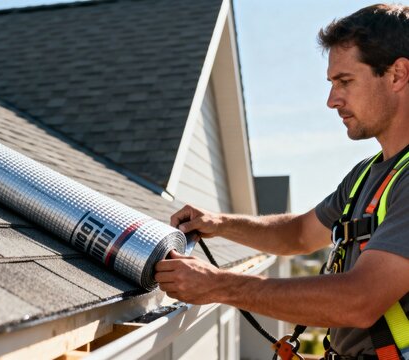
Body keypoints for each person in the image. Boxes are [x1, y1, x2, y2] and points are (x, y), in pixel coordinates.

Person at [155, 4, 409, 358]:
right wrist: (218, 223)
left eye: (345, 81)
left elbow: (360, 300)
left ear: (397, 75)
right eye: (332, 83)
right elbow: (298, 234)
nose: (331, 100)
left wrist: (218, 285)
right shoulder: (367, 176)